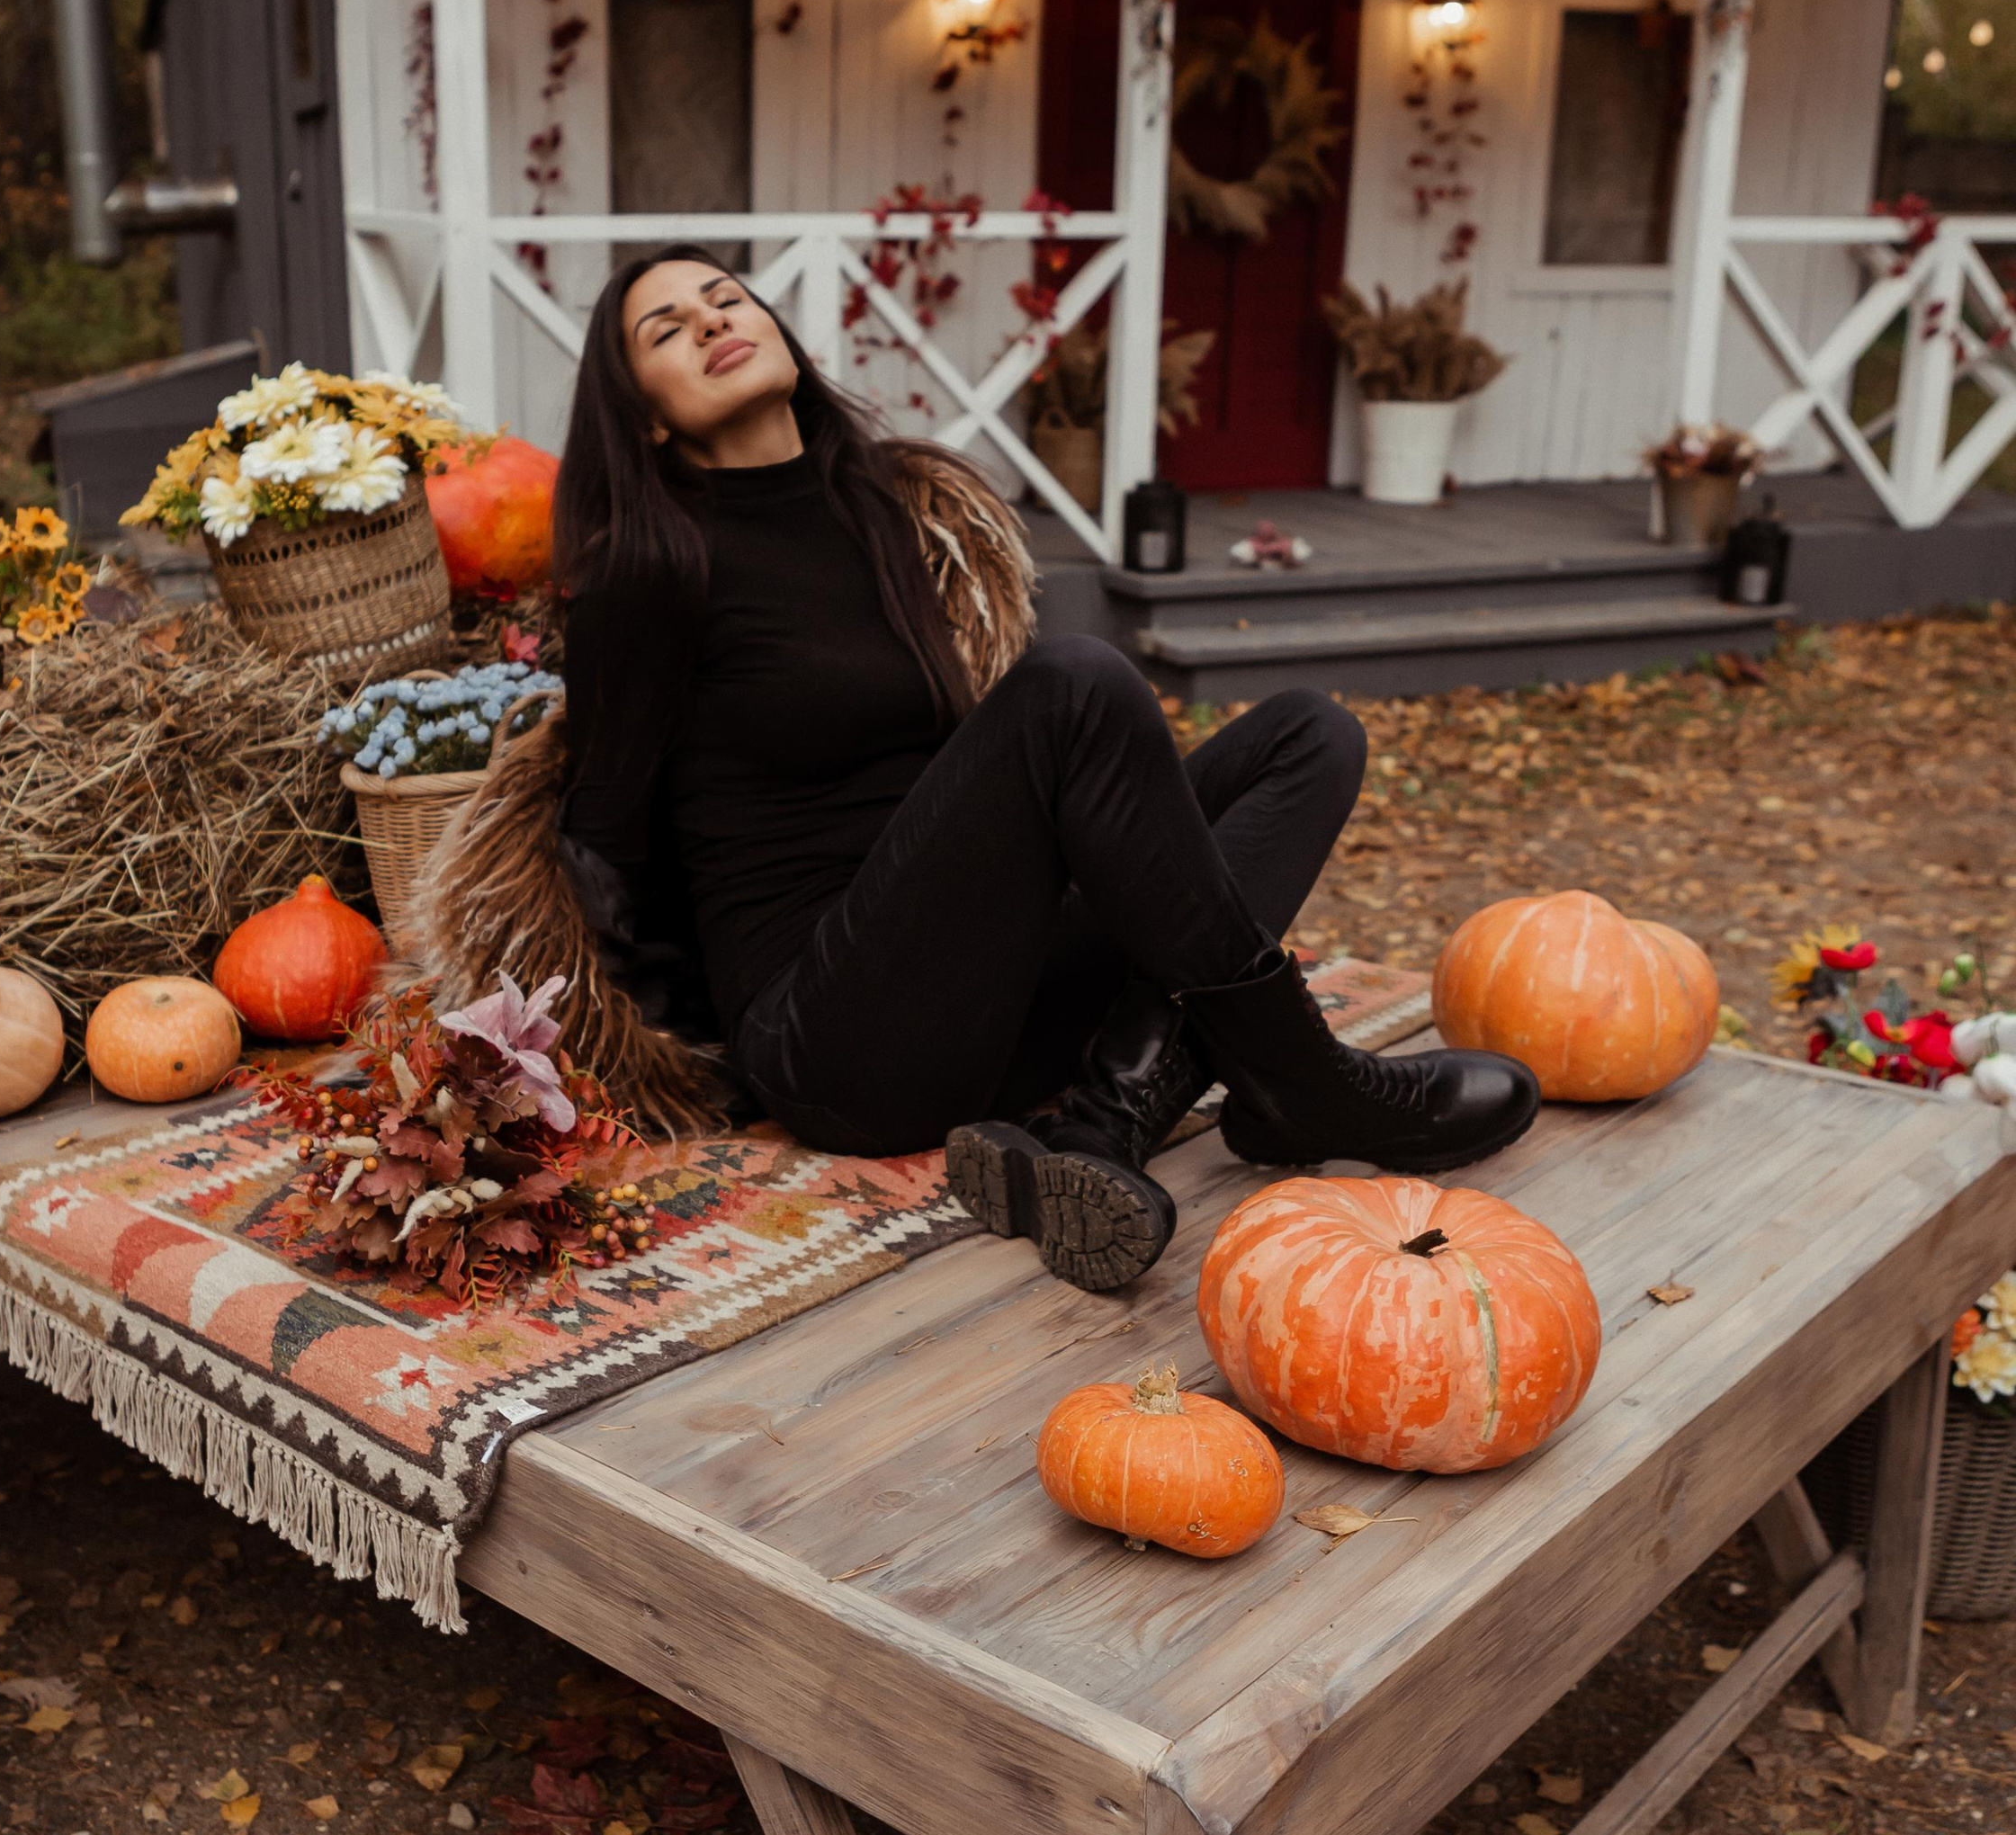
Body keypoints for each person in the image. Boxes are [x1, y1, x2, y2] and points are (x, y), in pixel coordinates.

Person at [489, 247, 1537, 1293]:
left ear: (776, 329)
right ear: (648, 416)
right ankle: (1305, 1079)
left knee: (1309, 735)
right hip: (837, 1039)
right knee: (1074, 681)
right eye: (666, 330)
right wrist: (701, 1072)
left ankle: (1104, 1124)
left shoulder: (882, 509)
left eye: (725, 297)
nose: (712, 320)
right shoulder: (648, 570)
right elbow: (607, 846)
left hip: (985, 1003)